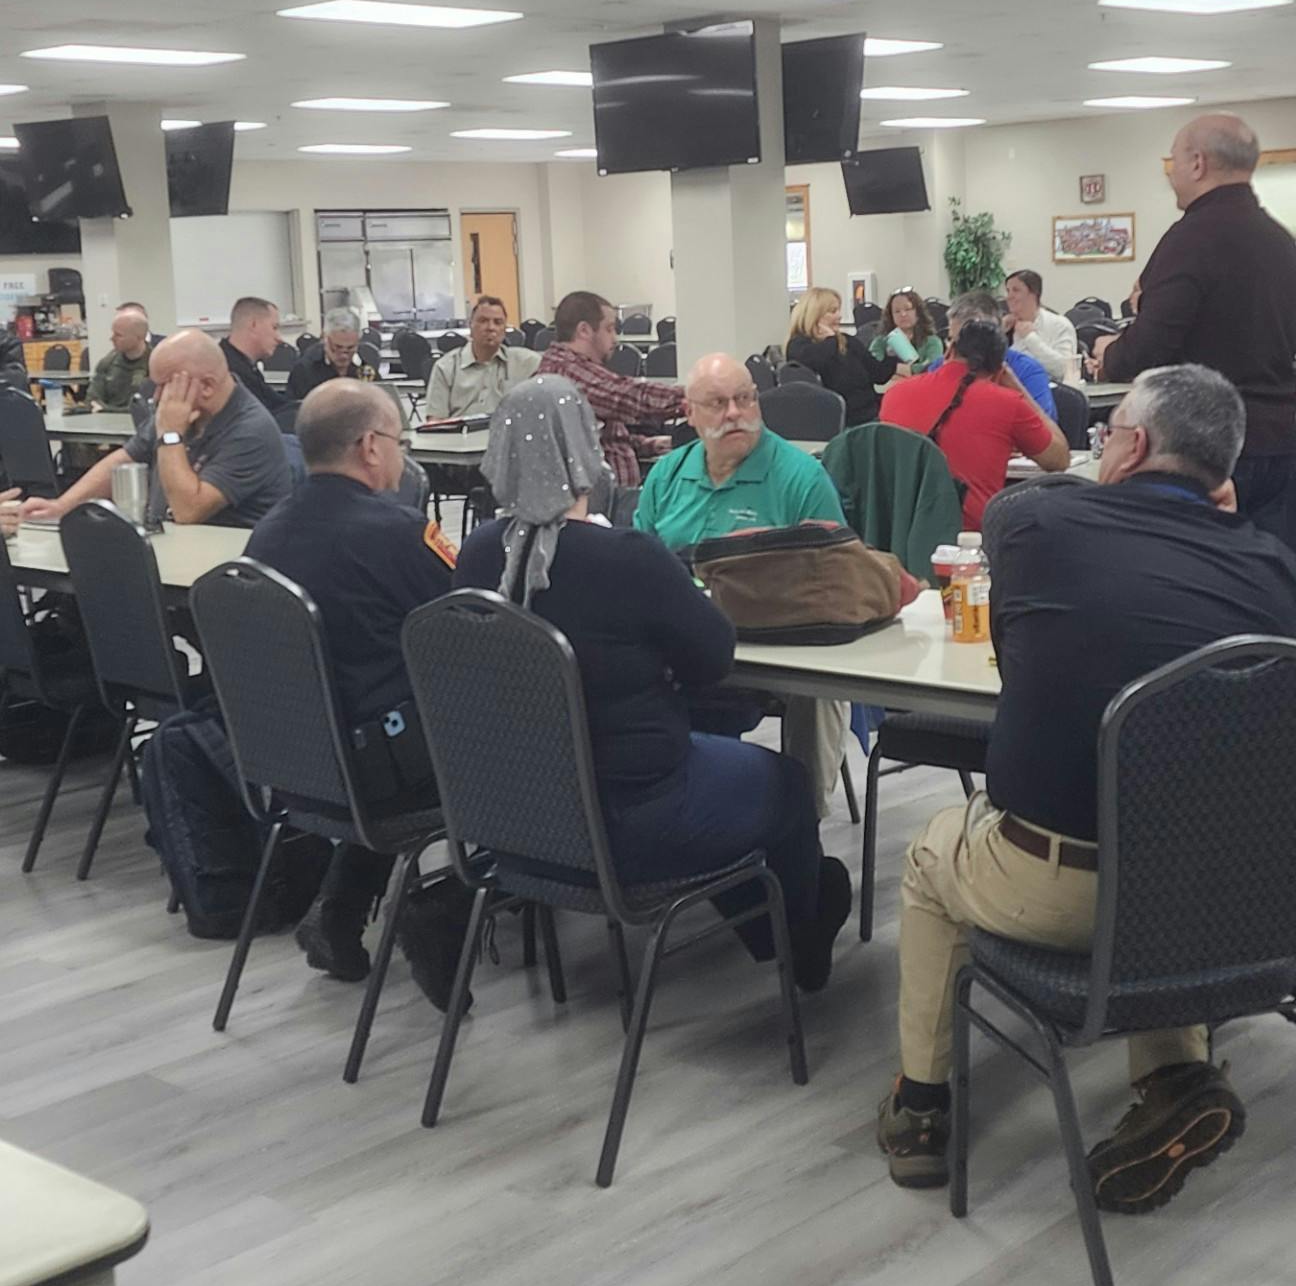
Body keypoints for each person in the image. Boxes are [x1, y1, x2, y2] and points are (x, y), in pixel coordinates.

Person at [878, 365, 1296, 1205]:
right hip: (1221, 898)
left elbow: (1001, 515)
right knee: (1164, 834)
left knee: (932, 856)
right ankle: (1177, 1079)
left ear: (1133, 444)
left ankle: (922, 1106)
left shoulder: (1042, 523)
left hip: (1057, 884)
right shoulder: (1276, 571)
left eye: (1106, 436)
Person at [455, 374, 852, 989]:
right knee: (786, 783)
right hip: (637, 815)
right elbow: (714, 657)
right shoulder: (627, 557)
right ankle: (793, 940)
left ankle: (757, 916)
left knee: (718, 759)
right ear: (586, 451)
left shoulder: (478, 555)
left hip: (522, 814)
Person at [245, 380, 466, 1005]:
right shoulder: (397, 534)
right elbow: (472, 633)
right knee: (512, 733)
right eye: (398, 440)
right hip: (386, 775)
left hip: (297, 771)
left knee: (377, 723)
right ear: (371, 447)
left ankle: (340, 913)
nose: (401, 456)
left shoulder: (266, 535)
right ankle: (441, 900)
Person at [636, 353, 852, 818]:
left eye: (744, 399)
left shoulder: (800, 476)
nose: (734, 413)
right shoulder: (666, 475)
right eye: (716, 403)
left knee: (820, 689)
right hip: (686, 642)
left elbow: (836, 577)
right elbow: (640, 571)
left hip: (780, 641)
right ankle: (658, 801)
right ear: (689, 414)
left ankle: (803, 817)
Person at [1093, 114, 1296, 532]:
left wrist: (1112, 352)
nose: (1171, 173)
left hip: (1204, 446)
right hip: (1280, 438)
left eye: (1172, 161)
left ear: (1197, 163)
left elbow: (1146, 351)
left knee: (1197, 573)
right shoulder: (1282, 242)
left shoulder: (1190, 240)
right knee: (1257, 570)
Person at [2, 328, 291, 532]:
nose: (155, 396)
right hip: (171, 554)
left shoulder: (250, 430)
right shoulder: (178, 410)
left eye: (166, 384)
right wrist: (62, 507)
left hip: (222, 578)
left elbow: (188, 511)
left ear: (207, 386)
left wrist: (170, 435)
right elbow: (124, 459)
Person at [880, 311, 1069, 529]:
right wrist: (1019, 390)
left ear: (949, 350)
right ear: (999, 370)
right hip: (970, 538)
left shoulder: (896, 394)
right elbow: (1059, 460)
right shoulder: (1007, 402)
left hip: (898, 533)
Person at [538, 290, 683, 487]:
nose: (615, 338)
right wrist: (700, 397)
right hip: (606, 503)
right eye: (609, 329)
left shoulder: (566, 365)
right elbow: (630, 397)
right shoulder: (569, 372)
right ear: (584, 331)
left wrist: (650, 445)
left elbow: (604, 440)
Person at [787, 286, 895, 426]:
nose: (839, 316)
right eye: (832, 311)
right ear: (814, 315)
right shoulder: (799, 346)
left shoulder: (848, 342)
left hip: (869, 413)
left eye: (838, 310)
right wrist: (831, 340)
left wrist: (891, 354)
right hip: (838, 421)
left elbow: (878, 375)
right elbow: (818, 361)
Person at [424, 292, 539, 420]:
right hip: (459, 436)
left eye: (498, 322)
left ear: (505, 329)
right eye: (483, 321)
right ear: (470, 326)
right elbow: (435, 421)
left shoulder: (527, 363)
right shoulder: (446, 367)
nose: (491, 327)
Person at [949, 287, 1056, 418]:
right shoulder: (940, 367)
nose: (953, 352)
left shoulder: (1027, 371)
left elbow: (1046, 432)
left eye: (964, 344)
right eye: (953, 341)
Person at [1003, 269, 1080, 383]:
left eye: (1016, 290)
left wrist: (1030, 338)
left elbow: (1064, 370)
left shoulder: (1060, 325)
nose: (1009, 297)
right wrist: (998, 333)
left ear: (1033, 294)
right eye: (1008, 291)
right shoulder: (1007, 327)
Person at [287, 307, 378, 401]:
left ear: (358, 341)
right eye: (337, 347)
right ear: (324, 338)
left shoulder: (366, 363)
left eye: (350, 348)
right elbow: (294, 409)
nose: (344, 355)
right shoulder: (304, 368)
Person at [222, 296, 285, 414]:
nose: (279, 338)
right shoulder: (228, 373)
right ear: (254, 325)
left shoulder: (245, 367)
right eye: (274, 327)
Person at [87, 303, 153, 410]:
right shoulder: (107, 363)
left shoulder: (155, 364)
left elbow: (149, 407)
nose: (112, 339)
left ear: (139, 336)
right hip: (107, 423)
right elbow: (92, 400)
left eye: (119, 335)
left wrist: (107, 410)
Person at [870, 288, 943, 380]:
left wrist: (898, 369)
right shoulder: (880, 342)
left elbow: (933, 368)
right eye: (897, 311)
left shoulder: (932, 341)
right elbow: (874, 367)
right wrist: (902, 370)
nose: (903, 314)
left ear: (918, 312)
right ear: (891, 316)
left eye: (908, 309)